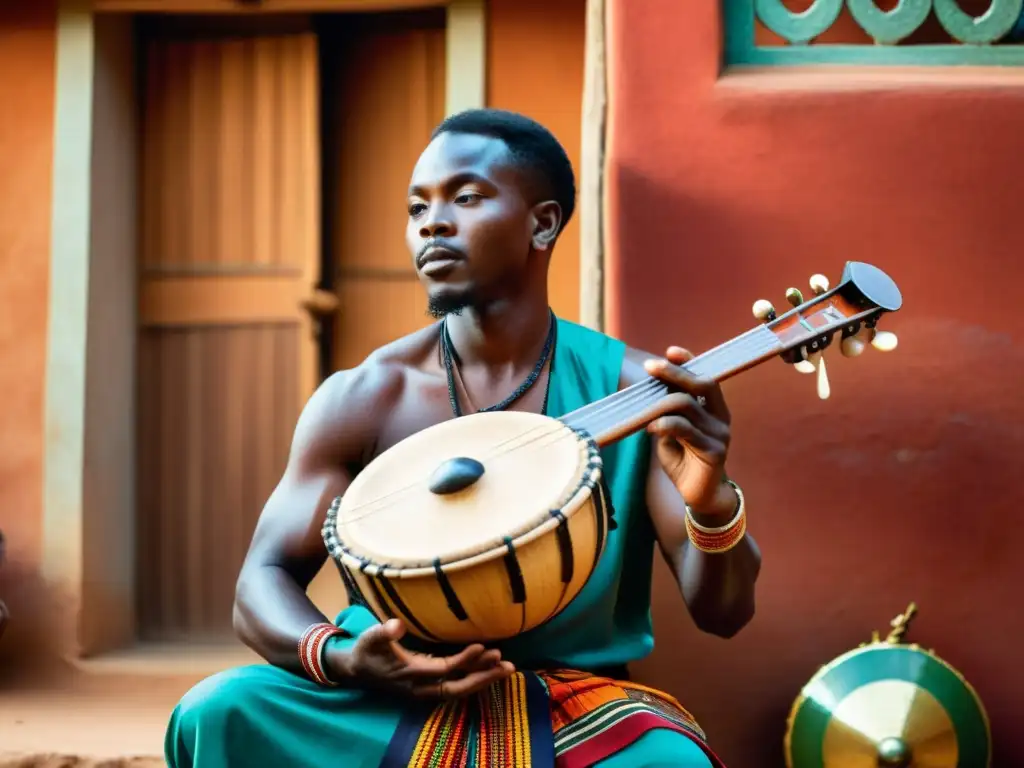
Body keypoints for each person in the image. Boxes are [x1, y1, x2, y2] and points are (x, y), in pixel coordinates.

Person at [165, 108, 761, 768]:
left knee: (668, 762)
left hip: (567, 704)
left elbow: (724, 614)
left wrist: (711, 503)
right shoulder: (364, 397)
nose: (432, 222)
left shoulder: (634, 392)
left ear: (543, 222)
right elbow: (262, 577)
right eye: (417, 206)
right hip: (382, 699)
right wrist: (341, 655)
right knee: (217, 711)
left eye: (466, 197)